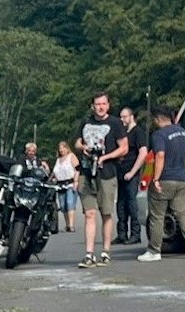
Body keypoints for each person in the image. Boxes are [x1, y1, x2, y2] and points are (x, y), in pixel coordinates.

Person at [75, 93, 130, 267]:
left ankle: (105, 251)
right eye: (97, 104)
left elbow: (124, 148)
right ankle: (89, 253)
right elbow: (76, 142)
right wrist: (83, 147)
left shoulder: (115, 123)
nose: (100, 107)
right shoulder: (86, 121)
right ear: (92, 106)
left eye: (103, 104)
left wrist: (105, 157)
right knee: (89, 214)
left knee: (106, 212)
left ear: (108, 105)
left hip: (106, 172)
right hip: (86, 171)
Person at [139, 107, 185, 261]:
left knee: (157, 216)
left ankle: (154, 251)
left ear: (158, 119)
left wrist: (156, 178)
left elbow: (160, 155)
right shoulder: (183, 133)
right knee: (182, 212)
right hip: (182, 178)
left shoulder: (159, 135)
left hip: (166, 179)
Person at [116, 107, 150, 243]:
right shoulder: (123, 133)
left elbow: (143, 153)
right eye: (121, 117)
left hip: (132, 173)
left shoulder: (138, 132)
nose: (122, 119)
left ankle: (135, 235)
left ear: (131, 116)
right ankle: (122, 234)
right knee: (121, 204)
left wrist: (132, 172)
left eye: (124, 117)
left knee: (132, 204)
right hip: (120, 173)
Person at [53, 140, 80, 232]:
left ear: (67, 148)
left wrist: (76, 181)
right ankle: (67, 224)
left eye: (63, 148)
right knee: (63, 205)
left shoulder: (71, 157)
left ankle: (71, 225)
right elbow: (54, 172)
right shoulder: (58, 160)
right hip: (60, 184)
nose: (61, 150)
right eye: (60, 149)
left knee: (70, 203)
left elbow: (77, 168)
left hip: (70, 183)